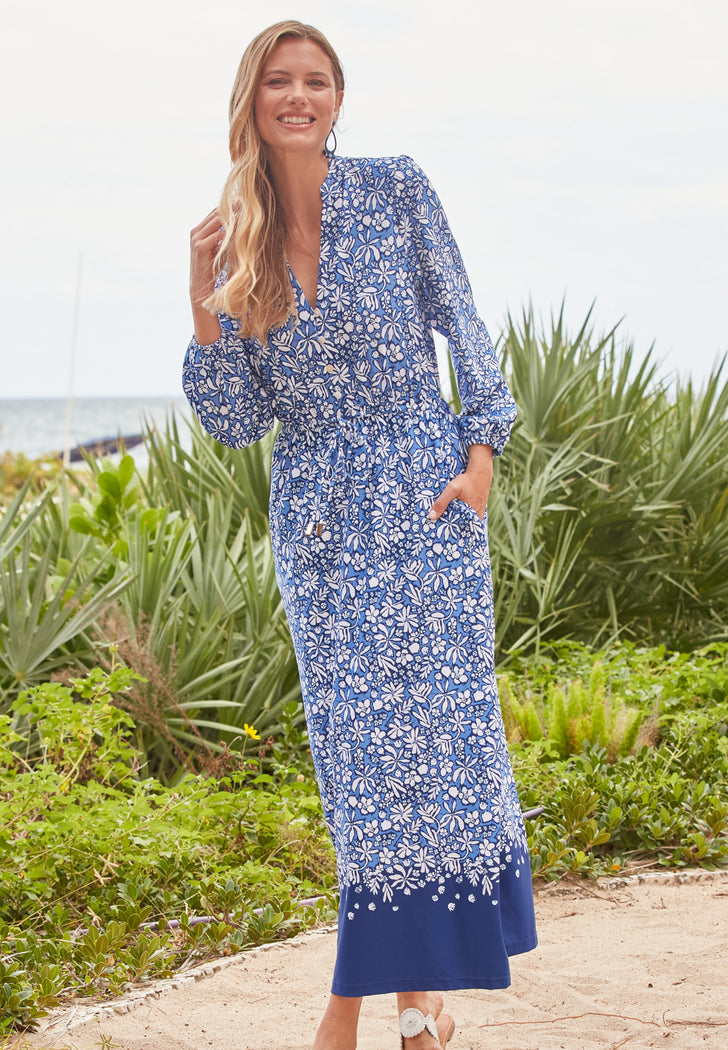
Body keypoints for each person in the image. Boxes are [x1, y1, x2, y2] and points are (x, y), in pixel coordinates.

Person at [183, 19, 537, 1050]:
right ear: (252, 101)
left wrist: (480, 455)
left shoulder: (396, 190)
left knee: (435, 749)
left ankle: (369, 1007)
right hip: (323, 525)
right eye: (279, 81)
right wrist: (202, 304)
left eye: (317, 80)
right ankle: (409, 1006)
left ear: (338, 99)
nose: (299, 96)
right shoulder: (237, 240)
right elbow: (239, 422)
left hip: (425, 500)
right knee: (359, 764)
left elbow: (462, 319)